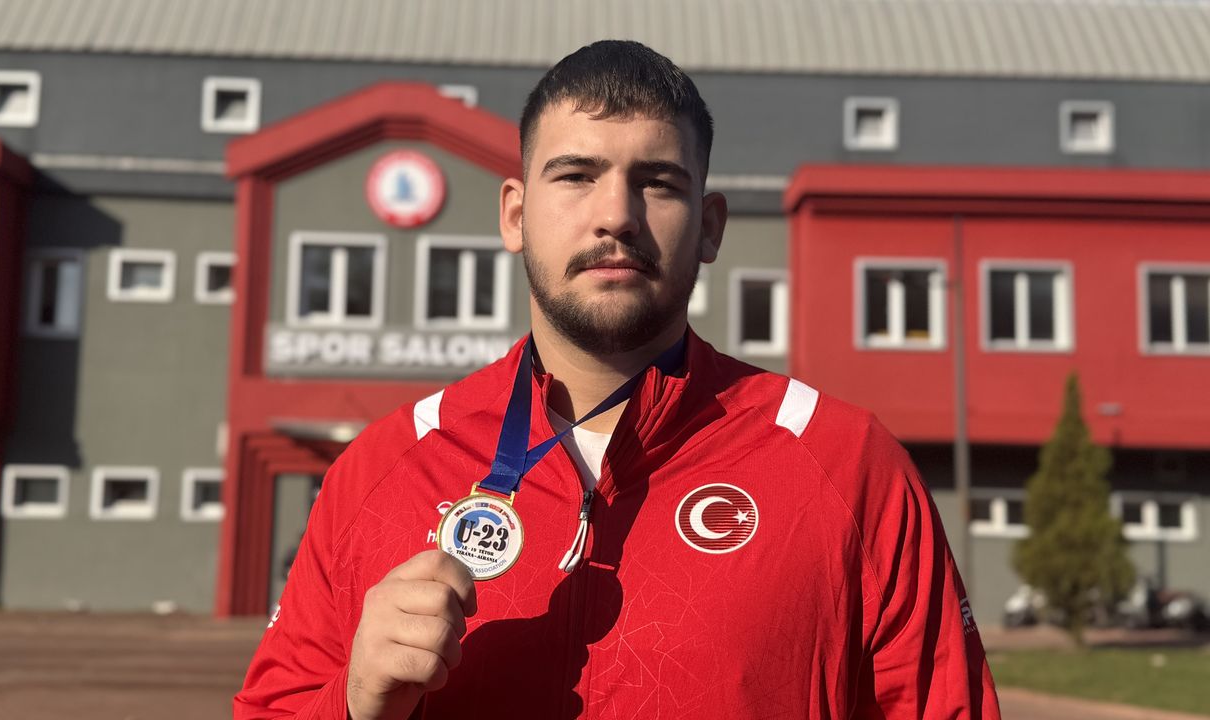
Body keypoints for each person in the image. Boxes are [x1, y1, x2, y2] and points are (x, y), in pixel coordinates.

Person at [235, 40, 1002, 720]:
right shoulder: (380, 470)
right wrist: (351, 703)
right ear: (514, 215)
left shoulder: (847, 465)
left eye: (658, 182)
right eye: (576, 174)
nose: (616, 215)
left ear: (709, 226)